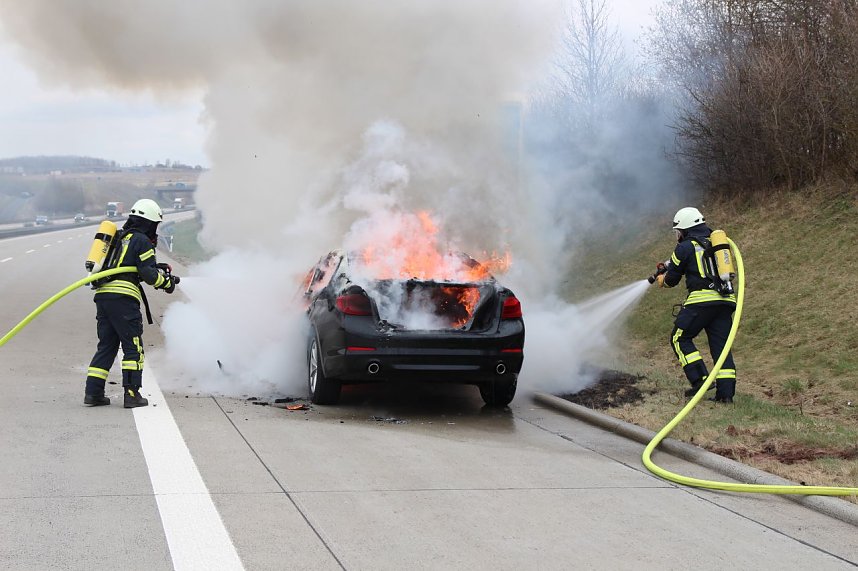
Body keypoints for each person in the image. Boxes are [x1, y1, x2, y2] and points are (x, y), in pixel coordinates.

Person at [83, 198, 180, 408]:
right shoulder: (142, 240)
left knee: (107, 346)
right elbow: (147, 274)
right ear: (148, 222)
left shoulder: (119, 237)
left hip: (103, 296)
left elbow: (130, 265)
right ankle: (132, 394)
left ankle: (93, 393)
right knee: (133, 347)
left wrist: (157, 266)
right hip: (124, 299)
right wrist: (166, 282)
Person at [654, 207, 737, 403]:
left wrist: (661, 280)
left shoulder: (684, 247)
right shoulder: (716, 243)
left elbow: (672, 279)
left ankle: (700, 380)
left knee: (679, 338)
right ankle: (725, 396)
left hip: (701, 301)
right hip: (725, 301)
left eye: (678, 231)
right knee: (721, 347)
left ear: (685, 229)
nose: (678, 235)